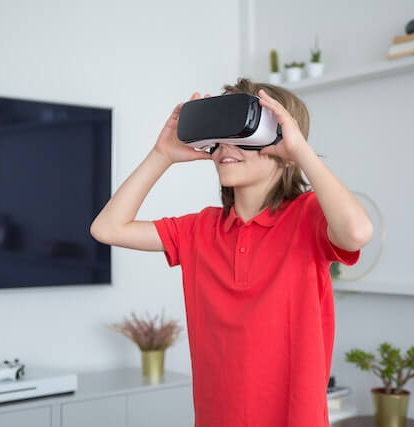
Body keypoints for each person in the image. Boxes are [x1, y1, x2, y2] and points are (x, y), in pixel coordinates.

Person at [90, 77, 373, 427]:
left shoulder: (308, 217)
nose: (226, 148)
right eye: (220, 140)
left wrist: (301, 153)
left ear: (281, 145)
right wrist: (161, 155)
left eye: (242, 137)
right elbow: (107, 229)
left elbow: (358, 232)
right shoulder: (199, 230)